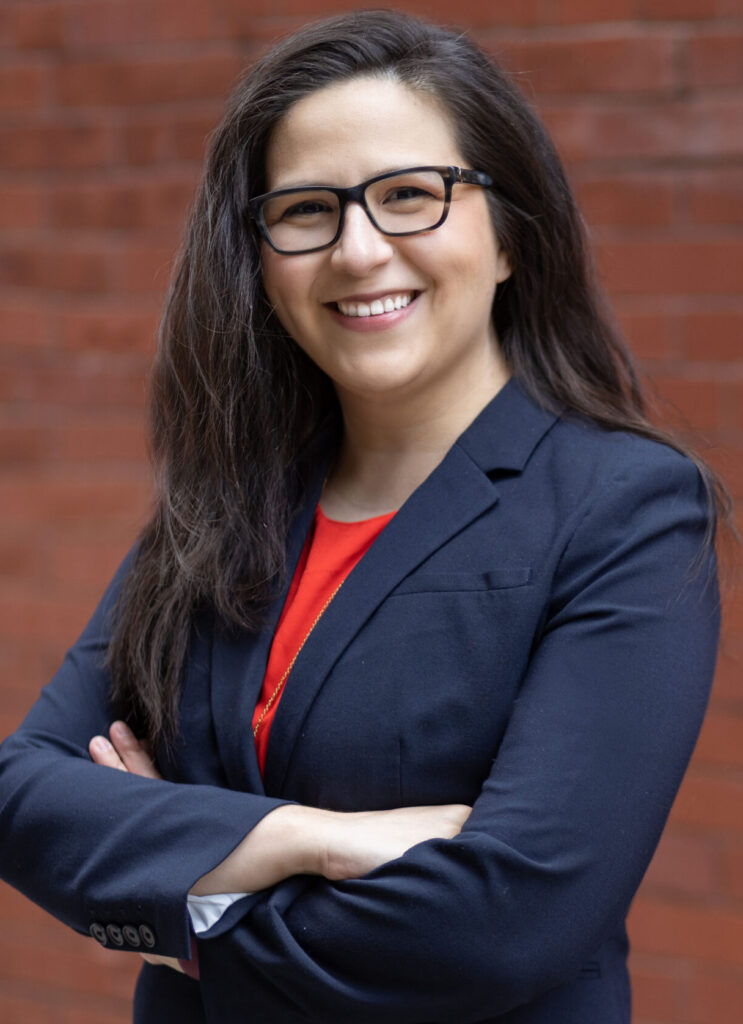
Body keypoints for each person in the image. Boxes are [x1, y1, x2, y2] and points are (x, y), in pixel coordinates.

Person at [0, 10, 725, 1024]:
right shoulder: (221, 508)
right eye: (306, 211)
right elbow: (21, 794)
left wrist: (187, 889)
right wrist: (306, 837)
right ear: (257, 257)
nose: (357, 248)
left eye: (407, 197)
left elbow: (504, 921)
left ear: (509, 231)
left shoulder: (623, 509)